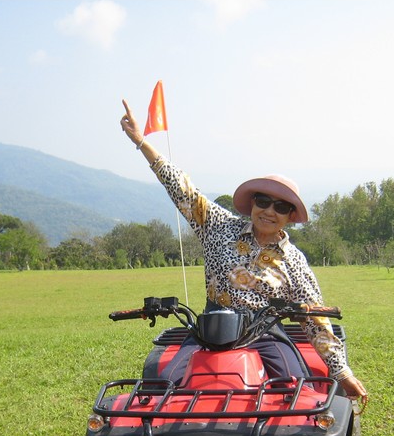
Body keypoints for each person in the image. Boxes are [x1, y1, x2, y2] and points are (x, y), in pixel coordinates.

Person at [119, 99, 369, 405]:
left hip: (264, 333)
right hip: (210, 328)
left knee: (297, 392)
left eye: (280, 207)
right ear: (252, 203)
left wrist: (342, 373)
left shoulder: (293, 261)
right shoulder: (218, 225)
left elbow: (314, 318)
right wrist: (142, 143)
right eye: (263, 201)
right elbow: (182, 189)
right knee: (163, 390)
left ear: (290, 215)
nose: (269, 211)